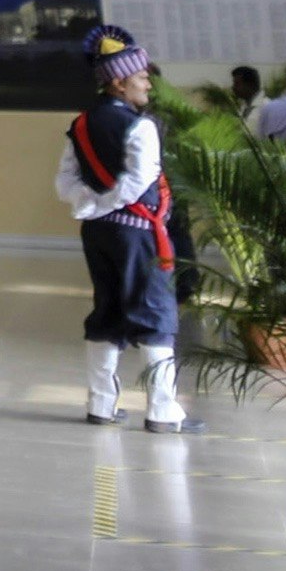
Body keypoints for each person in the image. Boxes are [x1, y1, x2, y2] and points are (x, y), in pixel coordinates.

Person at [56, 24, 194, 432]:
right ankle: (163, 410)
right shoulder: (142, 126)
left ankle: (101, 403)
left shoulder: (80, 124)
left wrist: (91, 206)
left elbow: (64, 179)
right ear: (118, 83)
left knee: (108, 311)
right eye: (141, 76)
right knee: (154, 315)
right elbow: (140, 180)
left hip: (98, 232)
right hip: (140, 233)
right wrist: (107, 202)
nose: (148, 83)